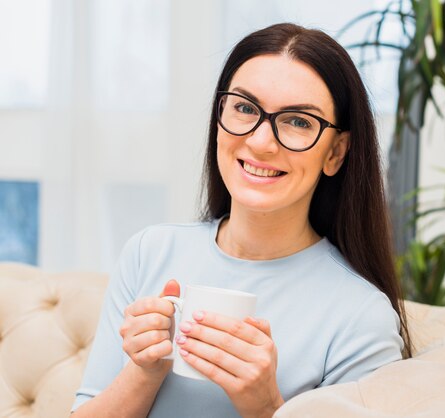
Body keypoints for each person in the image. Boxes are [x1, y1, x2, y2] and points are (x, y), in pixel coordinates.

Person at [71, 22, 412, 418]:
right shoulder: (150, 251)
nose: (261, 142)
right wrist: (145, 370)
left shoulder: (361, 316)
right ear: (219, 118)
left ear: (336, 152)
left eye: (299, 121)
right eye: (245, 108)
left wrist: (265, 405)